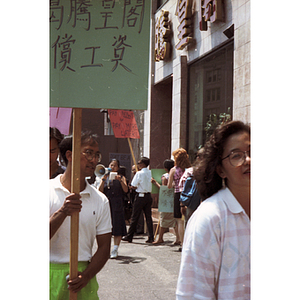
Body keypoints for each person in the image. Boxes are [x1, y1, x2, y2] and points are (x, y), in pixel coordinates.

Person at [176, 121, 250, 300]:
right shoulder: (209, 218)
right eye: (236, 155)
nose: (248, 160)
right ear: (220, 170)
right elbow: (192, 294)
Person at [49, 131, 112, 299]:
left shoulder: (100, 200)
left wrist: (86, 276)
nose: (94, 160)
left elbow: (104, 247)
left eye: (97, 154)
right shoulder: (47, 191)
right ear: (69, 155)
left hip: (82, 276)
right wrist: (63, 212)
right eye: (88, 152)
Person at [99, 159, 128, 259]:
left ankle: (115, 248)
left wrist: (120, 180)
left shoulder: (121, 177)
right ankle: (105, 249)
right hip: (107, 203)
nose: (112, 167)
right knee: (106, 226)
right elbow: (100, 191)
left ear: (118, 168)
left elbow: (126, 190)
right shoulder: (104, 177)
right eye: (111, 165)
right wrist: (103, 180)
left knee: (117, 225)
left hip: (117, 203)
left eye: (115, 165)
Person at [122, 157, 154, 243]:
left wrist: (131, 187)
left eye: (139, 162)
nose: (138, 164)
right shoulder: (150, 173)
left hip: (140, 196)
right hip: (148, 196)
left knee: (135, 216)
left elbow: (134, 185)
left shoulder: (139, 173)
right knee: (148, 217)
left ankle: (129, 236)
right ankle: (151, 236)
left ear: (143, 164)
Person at [151, 159, 180, 245]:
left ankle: (160, 238)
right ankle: (178, 238)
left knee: (163, 220)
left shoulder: (165, 177)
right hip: (174, 200)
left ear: (165, 168)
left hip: (166, 202)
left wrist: (155, 183)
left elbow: (164, 190)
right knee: (175, 220)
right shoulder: (178, 174)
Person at [167, 148, 191, 250]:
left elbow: (168, 185)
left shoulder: (173, 170)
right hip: (189, 195)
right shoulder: (189, 168)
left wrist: (174, 184)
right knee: (189, 219)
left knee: (180, 221)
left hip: (178, 194)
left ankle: (182, 244)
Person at [178, 147, 204, 226]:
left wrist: (182, 205)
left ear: (198, 158)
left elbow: (182, 187)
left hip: (192, 203)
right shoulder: (214, 171)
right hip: (207, 203)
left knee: (189, 225)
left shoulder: (190, 171)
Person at [128, 164, 144, 233]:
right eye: (132, 170)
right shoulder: (134, 176)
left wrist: (132, 187)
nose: (133, 171)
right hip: (133, 196)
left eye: (134, 169)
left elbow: (136, 186)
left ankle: (139, 229)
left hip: (138, 195)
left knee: (139, 213)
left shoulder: (140, 175)